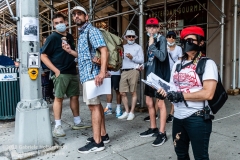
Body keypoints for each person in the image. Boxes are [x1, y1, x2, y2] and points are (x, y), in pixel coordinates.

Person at [156, 26, 217, 159]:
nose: (186, 43)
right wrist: (163, 92)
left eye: (191, 40)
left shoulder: (207, 64)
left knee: (200, 156)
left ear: (201, 42)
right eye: (184, 40)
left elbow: (208, 93)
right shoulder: (178, 64)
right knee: (181, 154)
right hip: (178, 117)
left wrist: (181, 95)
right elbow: (172, 88)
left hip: (198, 118)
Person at [41, 13, 89, 137]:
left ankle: (77, 121)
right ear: (53, 25)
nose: (59, 25)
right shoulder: (52, 38)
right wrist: (55, 70)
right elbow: (43, 55)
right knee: (59, 98)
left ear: (66, 22)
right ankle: (58, 126)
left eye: (61, 22)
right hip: (60, 73)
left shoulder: (69, 36)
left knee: (74, 96)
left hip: (72, 71)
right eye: (56, 23)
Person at [70, 6, 109, 153]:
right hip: (87, 75)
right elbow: (84, 56)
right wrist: (69, 51)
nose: (76, 16)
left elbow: (104, 50)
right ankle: (102, 135)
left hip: (93, 75)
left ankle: (98, 142)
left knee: (93, 107)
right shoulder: (82, 33)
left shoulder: (91, 31)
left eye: (79, 14)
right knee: (96, 106)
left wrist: (102, 72)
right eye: (74, 15)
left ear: (86, 17)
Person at [139, 17, 170, 147]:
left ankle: (162, 133)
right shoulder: (149, 42)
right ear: (146, 28)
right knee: (148, 102)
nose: (152, 29)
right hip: (150, 77)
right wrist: (143, 65)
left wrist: (152, 44)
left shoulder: (161, 39)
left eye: (154, 27)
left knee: (161, 104)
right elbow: (151, 60)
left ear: (158, 28)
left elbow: (162, 57)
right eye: (149, 27)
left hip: (160, 77)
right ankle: (153, 128)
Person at [117, 30, 144, 121]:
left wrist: (132, 57)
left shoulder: (138, 47)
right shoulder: (123, 47)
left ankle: (132, 112)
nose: (131, 38)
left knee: (133, 92)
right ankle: (127, 111)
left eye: (132, 36)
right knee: (122, 92)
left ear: (135, 38)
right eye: (129, 36)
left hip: (133, 70)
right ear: (126, 38)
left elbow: (141, 60)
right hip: (124, 70)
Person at [166, 31, 183, 123]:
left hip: (174, 73)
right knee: (161, 91)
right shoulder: (164, 48)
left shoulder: (178, 48)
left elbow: (180, 61)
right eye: (169, 37)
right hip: (165, 72)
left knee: (173, 91)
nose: (171, 38)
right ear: (166, 38)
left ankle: (172, 113)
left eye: (173, 37)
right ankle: (156, 113)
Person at [40, 37, 54, 104]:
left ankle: (51, 96)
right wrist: (41, 71)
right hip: (45, 70)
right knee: (45, 85)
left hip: (51, 70)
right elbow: (39, 62)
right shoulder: (41, 50)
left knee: (52, 84)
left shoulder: (51, 49)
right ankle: (45, 98)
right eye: (45, 41)